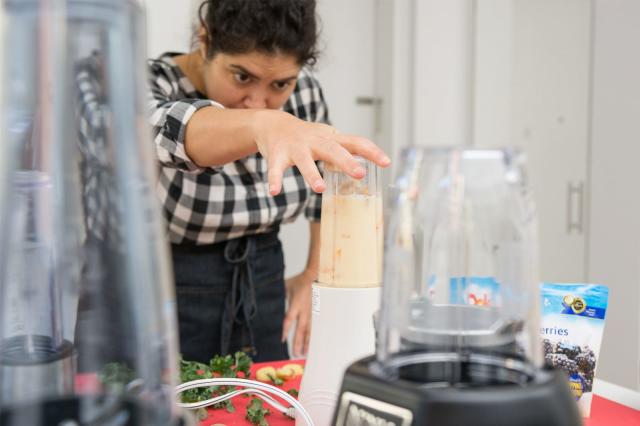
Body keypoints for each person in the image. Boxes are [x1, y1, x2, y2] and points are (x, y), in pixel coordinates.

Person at [147, 0, 389, 363]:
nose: (259, 101)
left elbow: (321, 195)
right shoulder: (146, 83)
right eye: (242, 77)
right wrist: (265, 124)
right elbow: (165, 129)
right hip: (160, 294)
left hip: (262, 287)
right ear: (205, 39)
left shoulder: (304, 94)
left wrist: (313, 273)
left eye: (280, 84)